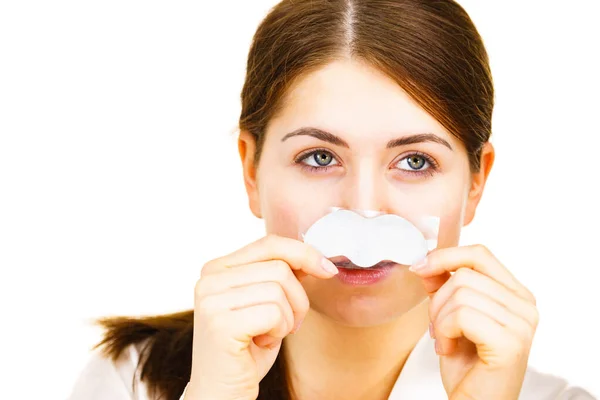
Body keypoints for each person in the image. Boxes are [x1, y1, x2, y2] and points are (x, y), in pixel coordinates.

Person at [68, 0, 596, 399]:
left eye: (415, 161)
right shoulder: (133, 380)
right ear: (250, 170)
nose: (364, 207)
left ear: (475, 183)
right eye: (319, 157)